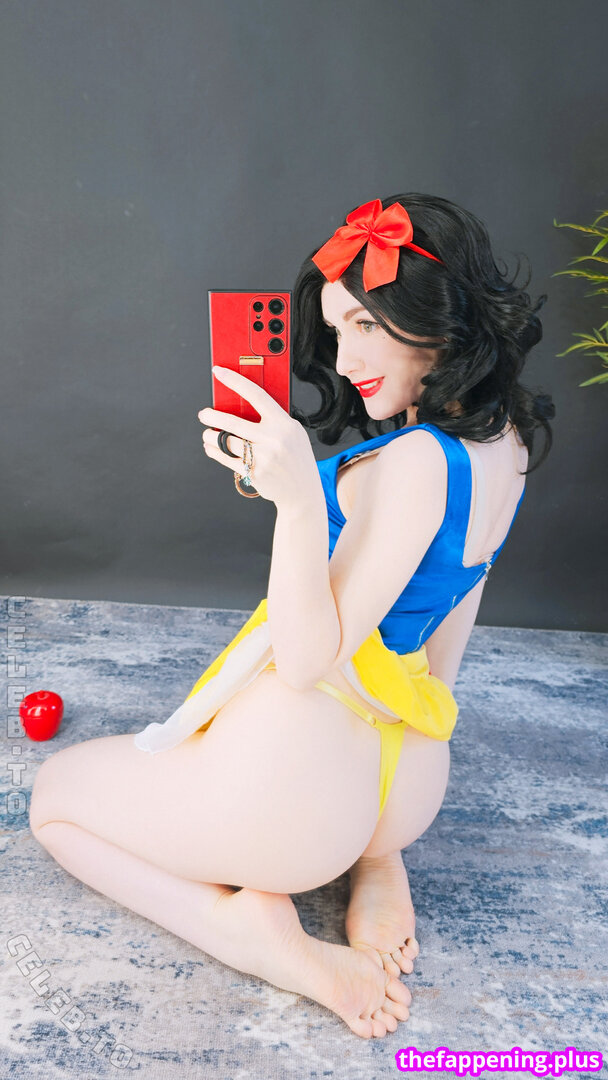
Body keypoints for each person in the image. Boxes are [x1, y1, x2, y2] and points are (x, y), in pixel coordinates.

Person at [28, 193, 555, 1040]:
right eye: (337, 331)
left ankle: (247, 934)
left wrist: (298, 500)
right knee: (344, 803)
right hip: (408, 775)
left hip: (302, 786)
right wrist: (424, 738)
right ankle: (377, 859)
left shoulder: (414, 461)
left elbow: (309, 662)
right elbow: (459, 603)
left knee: (54, 801)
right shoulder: (507, 444)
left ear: (437, 314)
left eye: (366, 323)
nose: (347, 360)